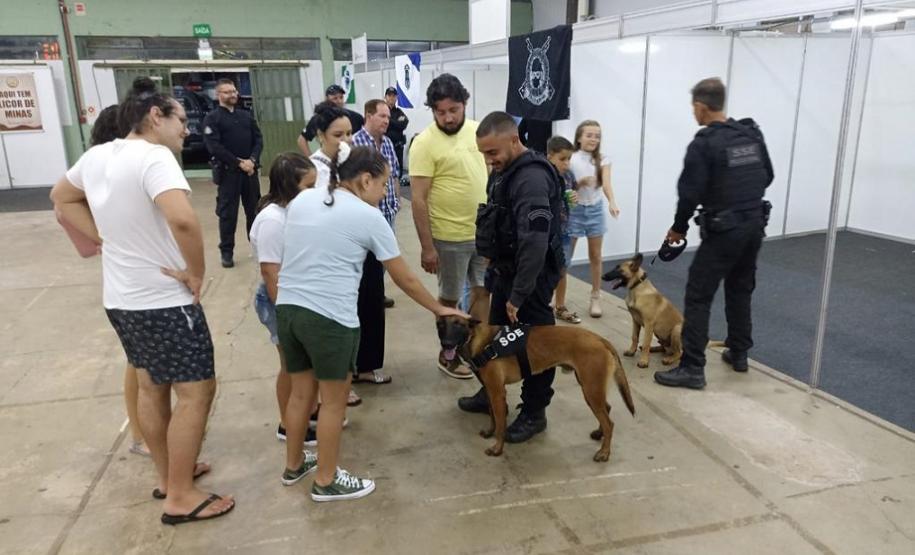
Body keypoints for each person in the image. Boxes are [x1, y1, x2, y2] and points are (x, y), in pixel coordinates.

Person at [50, 77, 235, 524]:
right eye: (181, 120)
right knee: (196, 392)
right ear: (156, 117)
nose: (186, 130)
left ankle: (170, 477)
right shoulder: (155, 157)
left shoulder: (98, 154)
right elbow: (184, 221)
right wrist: (197, 273)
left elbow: (61, 198)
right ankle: (181, 496)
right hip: (162, 300)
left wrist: (107, 241)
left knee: (152, 386)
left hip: (121, 297)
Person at [275, 144, 468, 501]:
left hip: (288, 309)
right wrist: (439, 309)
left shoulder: (303, 201)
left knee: (301, 393)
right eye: (383, 185)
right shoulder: (368, 217)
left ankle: (294, 465)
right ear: (364, 180)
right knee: (333, 403)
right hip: (329, 318)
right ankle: (327, 479)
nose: (386, 194)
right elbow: (404, 278)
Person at [654, 77, 774, 390]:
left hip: (723, 230)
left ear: (700, 107)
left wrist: (678, 228)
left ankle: (692, 367)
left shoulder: (704, 143)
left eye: (693, 108)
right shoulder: (750, 134)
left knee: (698, 294)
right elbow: (768, 176)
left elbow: (689, 194)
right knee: (740, 287)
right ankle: (739, 352)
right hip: (754, 225)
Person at [458, 111, 565, 442]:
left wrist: (519, 295)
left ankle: (534, 412)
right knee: (496, 336)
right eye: (484, 154)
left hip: (530, 277)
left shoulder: (532, 179)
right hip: (506, 270)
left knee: (536, 346)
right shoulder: (505, 171)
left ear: (514, 139)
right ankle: (490, 391)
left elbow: (534, 242)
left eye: (493, 153)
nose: (489, 161)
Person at [409, 73, 488, 379]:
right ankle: (449, 354)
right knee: (450, 300)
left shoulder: (479, 130)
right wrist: (428, 247)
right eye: (440, 112)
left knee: (483, 293)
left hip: (483, 234)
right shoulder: (424, 143)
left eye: (453, 110)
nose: (448, 117)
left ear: (464, 104)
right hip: (448, 238)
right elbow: (418, 200)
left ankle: (477, 349)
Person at [88, 104, 153, 457]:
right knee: (140, 366)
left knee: (140, 364)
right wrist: (104, 239)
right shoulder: (110, 168)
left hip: (130, 284)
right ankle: (143, 435)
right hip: (134, 288)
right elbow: (62, 204)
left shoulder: (110, 169)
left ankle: (144, 433)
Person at [249, 153, 318, 446]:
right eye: (308, 186)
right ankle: (287, 425)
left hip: (297, 295)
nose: (314, 192)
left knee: (301, 365)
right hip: (280, 300)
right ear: (290, 186)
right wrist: (288, 316)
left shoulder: (293, 211)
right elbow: (270, 272)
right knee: (291, 365)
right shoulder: (272, 221)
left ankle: (303, 414)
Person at [306, 103, 362, 407]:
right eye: (337, 135)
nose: (346, 140)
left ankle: (342, 381)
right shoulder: (314, 171)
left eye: (350, 133)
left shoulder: (348, 162)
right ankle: (328, 392)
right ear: (320, 135)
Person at [350, 99, 401, 384]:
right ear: (368, 115)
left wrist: (393, 205)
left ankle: (365, 365)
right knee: (364, 294)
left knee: (373, 287)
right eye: (382, 115)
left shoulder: (389, 143)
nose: (386, 120)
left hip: (385, 218)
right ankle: (358, 367)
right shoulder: (355, 144)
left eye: (388, 116)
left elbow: (391, 177)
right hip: (363, 226)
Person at [202, 78, 264, 269]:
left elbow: (258, 139)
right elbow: (214, 146)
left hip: (250, 172)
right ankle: (227, 252)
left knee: (254, 211)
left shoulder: (246, 116)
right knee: (228, 215)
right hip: (229, 173)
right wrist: (238, 162)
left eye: (234, 91)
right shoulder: (212, 118)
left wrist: (252, 160)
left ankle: (258, 248)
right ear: (218, 95)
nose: (233, 95)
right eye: (227, 92)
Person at [567, 120, 620, 318]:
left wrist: (612, 201)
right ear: (579, 137)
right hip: (574, 210)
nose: (593, 139)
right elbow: (564, 185)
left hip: (595, 210)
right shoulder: (571, 158)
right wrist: (579, 184)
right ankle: (558, 297)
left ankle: (595, 296)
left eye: (597, 136)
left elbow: (606, 184)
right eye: (589, 135)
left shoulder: (603, 159)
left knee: (595, 256)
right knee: (565, 258)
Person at [545, 136, 581, 325]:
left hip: (565, 229)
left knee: (562, 268)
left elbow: (574, 192)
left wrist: (574, 197)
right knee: (543, 270)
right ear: (549, 156)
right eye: (562, 159)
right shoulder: (541, 174)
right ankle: (541, 305)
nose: (567, 164)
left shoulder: (568, 175)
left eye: (569, 159)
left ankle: (560, 306)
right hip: (545, 232)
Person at [297, 85, 364, 156]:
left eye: (341, 97)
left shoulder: (356, 117)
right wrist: (310, 160)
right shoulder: (319, 118)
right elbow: (301, 140)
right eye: (335, 98)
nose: (339, 101)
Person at [383, 86, 409, 173]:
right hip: (384, 147)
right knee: (384, 172)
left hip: (398, 148)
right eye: (389, 95)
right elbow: (382, 124)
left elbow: (404, 123)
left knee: (398, 173)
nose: (391, 98)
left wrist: (389, 121)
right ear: (385, 97)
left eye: (394, 96)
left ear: (397, 98)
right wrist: (396, 122)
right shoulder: (382, 111)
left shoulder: (399, 111)